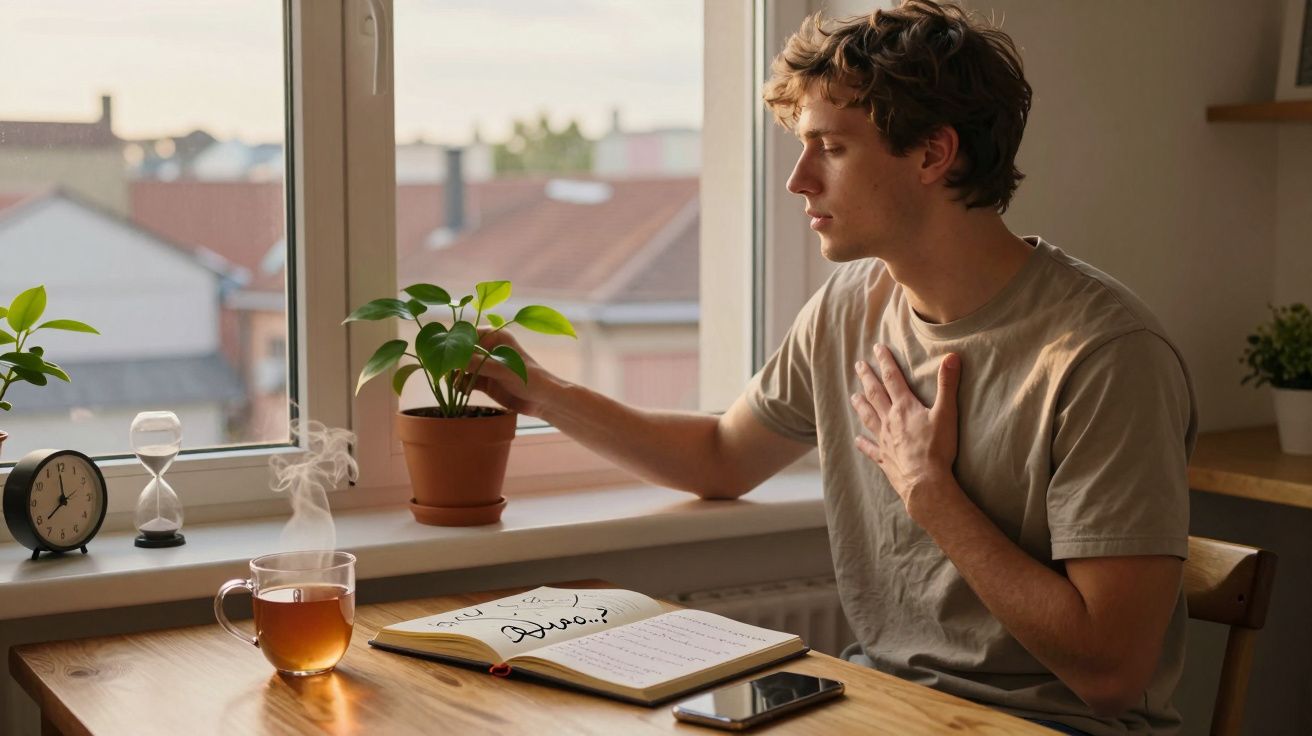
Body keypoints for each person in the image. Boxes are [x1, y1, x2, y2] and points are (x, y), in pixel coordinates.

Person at [474, 2, 1195, 734]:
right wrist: (542, 392)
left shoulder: (1105, 356)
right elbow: (723, 457)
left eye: (831, 148)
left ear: (932, 155)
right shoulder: (850, 304)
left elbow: (1111, 672)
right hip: (881, 706)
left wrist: (930, 493)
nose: (798, 180)